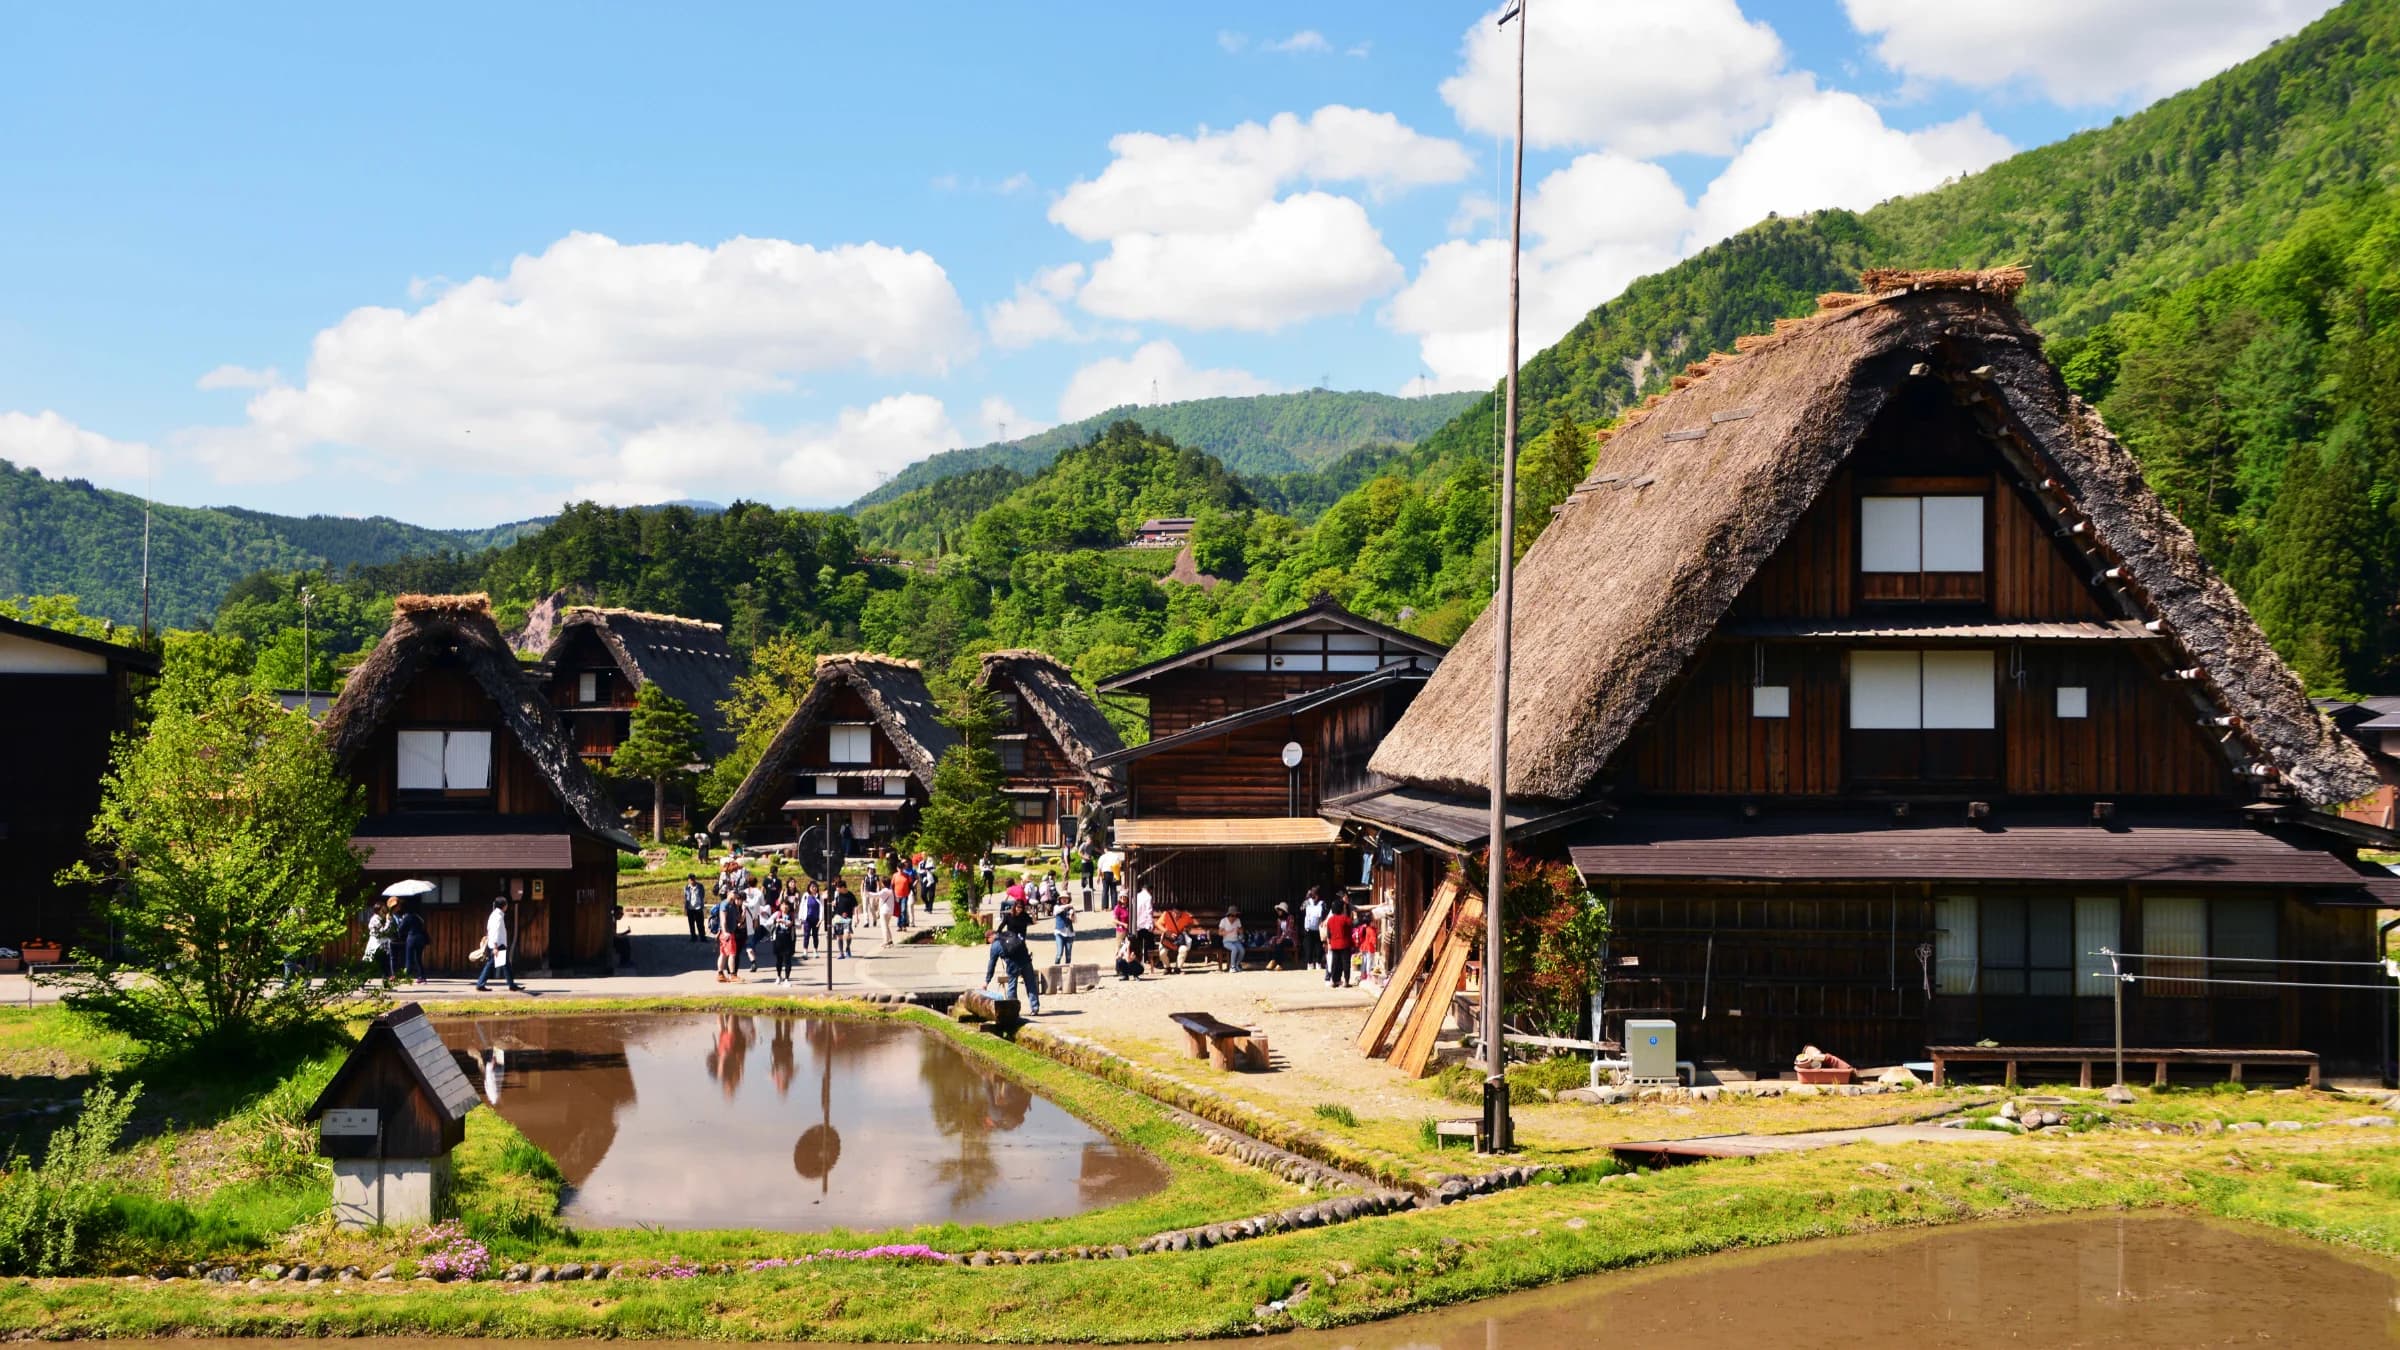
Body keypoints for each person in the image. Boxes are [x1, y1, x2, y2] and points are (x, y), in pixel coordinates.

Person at [995, 923, 1041, 1016]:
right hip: (1026, 962)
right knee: (1031, 985)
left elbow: (993, 961)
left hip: (1013, 965)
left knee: (1012, 986)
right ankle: (1035, 1008)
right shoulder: (1014, 937)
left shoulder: (998, 944)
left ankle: (1013, 1010)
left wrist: (987, 980)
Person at [475, 898, 520, 992]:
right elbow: (495, 931)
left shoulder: (494, 914)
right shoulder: (498, 916)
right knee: (492, 964)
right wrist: (495, 947)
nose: (507, 906)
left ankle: (511, 985)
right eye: (506, 904)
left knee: (505, 965)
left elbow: (489, 928)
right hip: (498, 945)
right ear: (504, 906)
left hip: (497, 944)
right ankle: (480, 984)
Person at [1322, 898, 1353, 988]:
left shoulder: (1330, 920)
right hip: (1345, 944)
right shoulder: (1345, 919)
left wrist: (1329, 943)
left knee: (1335, 964)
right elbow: (1351, 925)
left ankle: (1334, 980)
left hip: (1334, 945)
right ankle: (1346, 981)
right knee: (1345, 963)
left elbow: (1328, 933)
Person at [711, 887, 740, 982]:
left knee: (723, 954)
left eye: (736, 893)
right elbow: (723, 920)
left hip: (729, 932)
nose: (736, 894)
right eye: (734, 893)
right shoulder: (725, 904)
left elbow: (738, 919)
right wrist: (725, 932)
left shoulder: (734, 905)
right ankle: (732, 975)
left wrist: (739, 907)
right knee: (732, 953)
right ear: (728, 893)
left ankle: (720, 974)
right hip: (727, 933)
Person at [397, 901, 428, 983]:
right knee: (418, 958)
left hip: (412, 937)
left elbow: (400, 929)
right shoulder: (418, 917)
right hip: (421, 938)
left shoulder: (407, 917)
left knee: (409, 958)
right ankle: (422, 976)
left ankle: (407, 976)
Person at [770, 895, 797, 985]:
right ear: (780, 906)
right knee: (779, 960)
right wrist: (775, 921)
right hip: (778, 939)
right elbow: (768, 922)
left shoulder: (791, 915)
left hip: (788, 939)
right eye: (783, 904)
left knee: (788, 959)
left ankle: (787, 979)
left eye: (786, 905)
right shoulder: (777, 914)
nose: (784, 907)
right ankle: (778, 976)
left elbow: (791, 924)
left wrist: (783, 921)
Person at [365, 902, 393, 981]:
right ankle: (361, 983)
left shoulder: (380, 918)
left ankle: (386, 984)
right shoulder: (375, 919)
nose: (384, 910)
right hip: (375, 945)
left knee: (384, 965)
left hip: (381, 945)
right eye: (383, 909)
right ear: (378, 910)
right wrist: (388, 921)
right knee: (371, 965)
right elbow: (383, 931)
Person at [1302, 889, 1326, 970]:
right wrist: (1306, 897)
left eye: (1315, 895)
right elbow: (1301, 909)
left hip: (1318, 928)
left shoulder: (1322, 903)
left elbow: (1325, 913)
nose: (1314, 897)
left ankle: (1318, 962)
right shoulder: (1307, 902)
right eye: (1312, 895)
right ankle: (1310, 963)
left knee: (1319, 947)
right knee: (1308, 947)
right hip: (1308, 928)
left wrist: (1323, 921)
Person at [831, 882, 857, 958]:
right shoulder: (837, 894)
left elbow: (855, 906)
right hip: (838, 917)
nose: (837, 889)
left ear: (843, 888)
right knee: (839, 936)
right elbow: (833, 903)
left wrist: (857, 917)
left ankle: (848, 948)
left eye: (838, 887)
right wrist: (833, 903)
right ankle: (841, 953)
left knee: (847, 934)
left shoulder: (850, 895)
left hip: (847, 918)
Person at [1133, 882, 1156, 968]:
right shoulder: (1148, 897)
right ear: (1150, 890)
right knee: (1149, 942)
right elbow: (1149, 911)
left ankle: (1138, 960)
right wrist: (1150, 924)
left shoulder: (1137, 895)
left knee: (1138, 943)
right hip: (1145, 923)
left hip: (1136, 923)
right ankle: (1148, 959)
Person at [1354, 912, 1381, 986]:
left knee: (1364, 961)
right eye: (1373, 921)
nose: (1374, 923)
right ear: (1370, 922)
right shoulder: (1371, 930)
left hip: (1363, 947)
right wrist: (1376, 940)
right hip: (1369, 948)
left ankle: (1363, 974)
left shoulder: (1364, 928)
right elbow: (1373, 940)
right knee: (1369, 962)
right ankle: (1368, 975)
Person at [1270, 905, 1298, 970]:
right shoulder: (1279, 920)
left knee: (1280, 942)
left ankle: (1277, 962)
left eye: (1280, 910)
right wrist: (1276, 938)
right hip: (1282, 939)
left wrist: (1281, 938)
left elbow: (1289, 930)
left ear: (1284, 911)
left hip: (1291, 939)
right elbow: (1278, 932)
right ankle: (1277, 962)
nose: (1278, 912)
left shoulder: (1290, 917)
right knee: (1278, 943)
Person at [682, 874, 707, 942]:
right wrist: (685, 908)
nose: (691, 881)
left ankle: (702, 937)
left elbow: (702, 895)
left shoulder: (700, 886)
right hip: (690, 908)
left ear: (695, 879)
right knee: (691, 924)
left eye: (693, 879)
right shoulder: (686, 887)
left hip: (698, 907)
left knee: (700, 924)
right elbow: (685, 897)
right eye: (690, 879)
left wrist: (701, 904)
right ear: (688, 880)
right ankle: (693, 937)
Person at [612, 902, 636, 973]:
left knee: (625, 940)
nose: (621, 915)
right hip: (609, 940)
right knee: (625, 941)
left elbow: (615, 935)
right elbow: (615, 936)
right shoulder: (611, 921)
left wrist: (625, 933)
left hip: (612, 939)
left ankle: (625, 961)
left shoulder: (613, 920)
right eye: (620, 913)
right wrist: (624, 935)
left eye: (622, 914)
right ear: (615, 913)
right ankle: (624, 962)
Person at [800, 880, 823, 953]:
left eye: (815, 887)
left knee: (815, 935)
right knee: (806, 935)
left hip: (816, 919)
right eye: (812, 887)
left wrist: (821, 919)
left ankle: (815, 950)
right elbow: (802, 906)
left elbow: (822, 908)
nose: (814, 888)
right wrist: (801, 917)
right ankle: (805, 951)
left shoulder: (819, 896)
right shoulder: (806, 895)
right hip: (807, 919)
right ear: (809, 888)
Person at [1052, 901, 1075, 966]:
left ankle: (1068, 970)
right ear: (1060, 899)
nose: (1064, 900)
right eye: (1063, 898)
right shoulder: (1056, 906)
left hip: (1069, 933)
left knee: (1068, 955)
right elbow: (1057, 911)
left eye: (1066, 898)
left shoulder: (1071, 908)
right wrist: (1068, 905)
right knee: (1059, 953)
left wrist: (1072, 915)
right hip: (1059, 933)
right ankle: (1056, 968)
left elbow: (1074, 920)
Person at [892, 865, 913, 929]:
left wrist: (909, 892)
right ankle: (899, 925)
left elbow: (910, 884)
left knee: (903, 910)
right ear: (897, 868)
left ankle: (904, 925)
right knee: (899, 911)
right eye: (899, 868)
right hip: (897, 895)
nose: (900, 869)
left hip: (904, 895)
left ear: (903, 868)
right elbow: (892, 885)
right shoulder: (895, 875)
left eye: (901, 868)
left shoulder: (906, 875)